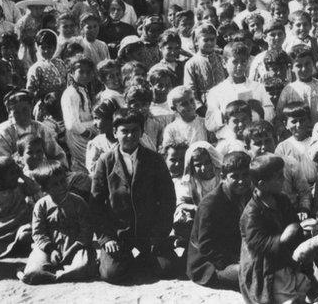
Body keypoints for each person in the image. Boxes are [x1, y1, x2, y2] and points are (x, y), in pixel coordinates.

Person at [90, 108, 179, 282]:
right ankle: (121, 258)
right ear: (115, 132)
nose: (130, 136)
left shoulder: (154, 160)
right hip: (119, 235)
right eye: (124, 131)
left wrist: (158, 234)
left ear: (142, 131)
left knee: (168, 269)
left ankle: (143, 258)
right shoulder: (105, 161)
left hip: (149, 233)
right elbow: (96, 205)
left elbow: (168, 199)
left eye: (134, 130)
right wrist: (107, 238)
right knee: (112, 274)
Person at [239, 154, 311, 304]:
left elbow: (293, 222)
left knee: (307, 285)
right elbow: (258, 244)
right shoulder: (252, 212)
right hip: (264, 267)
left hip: (285, 259)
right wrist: (283, 238)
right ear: (262, 184)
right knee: (287, 297)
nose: (283, 180)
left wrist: (300, 229)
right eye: (278, 177)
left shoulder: (282, 199)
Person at [21, 163, 95, 284]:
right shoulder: (41, 205)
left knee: (82, 268)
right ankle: (56, 273)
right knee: (32, 273)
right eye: (55, 184)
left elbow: (87, 230)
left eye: (63, 181)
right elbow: (38, 233)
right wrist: (51, 250)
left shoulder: (78, 202)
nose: (61, 186)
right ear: (44, 189)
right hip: (48, 247)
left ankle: (54, 276)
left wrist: (73, 249)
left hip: (75, 246)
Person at [187, 151, 251, 288]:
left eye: (246, 175)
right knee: (252, 272)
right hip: (209, 265)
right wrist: (238, 260)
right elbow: (206, 246)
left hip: (236, 255)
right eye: (235, 176)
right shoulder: (210, 204)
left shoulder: (248, 194)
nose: (241, 181)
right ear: (223, 176)